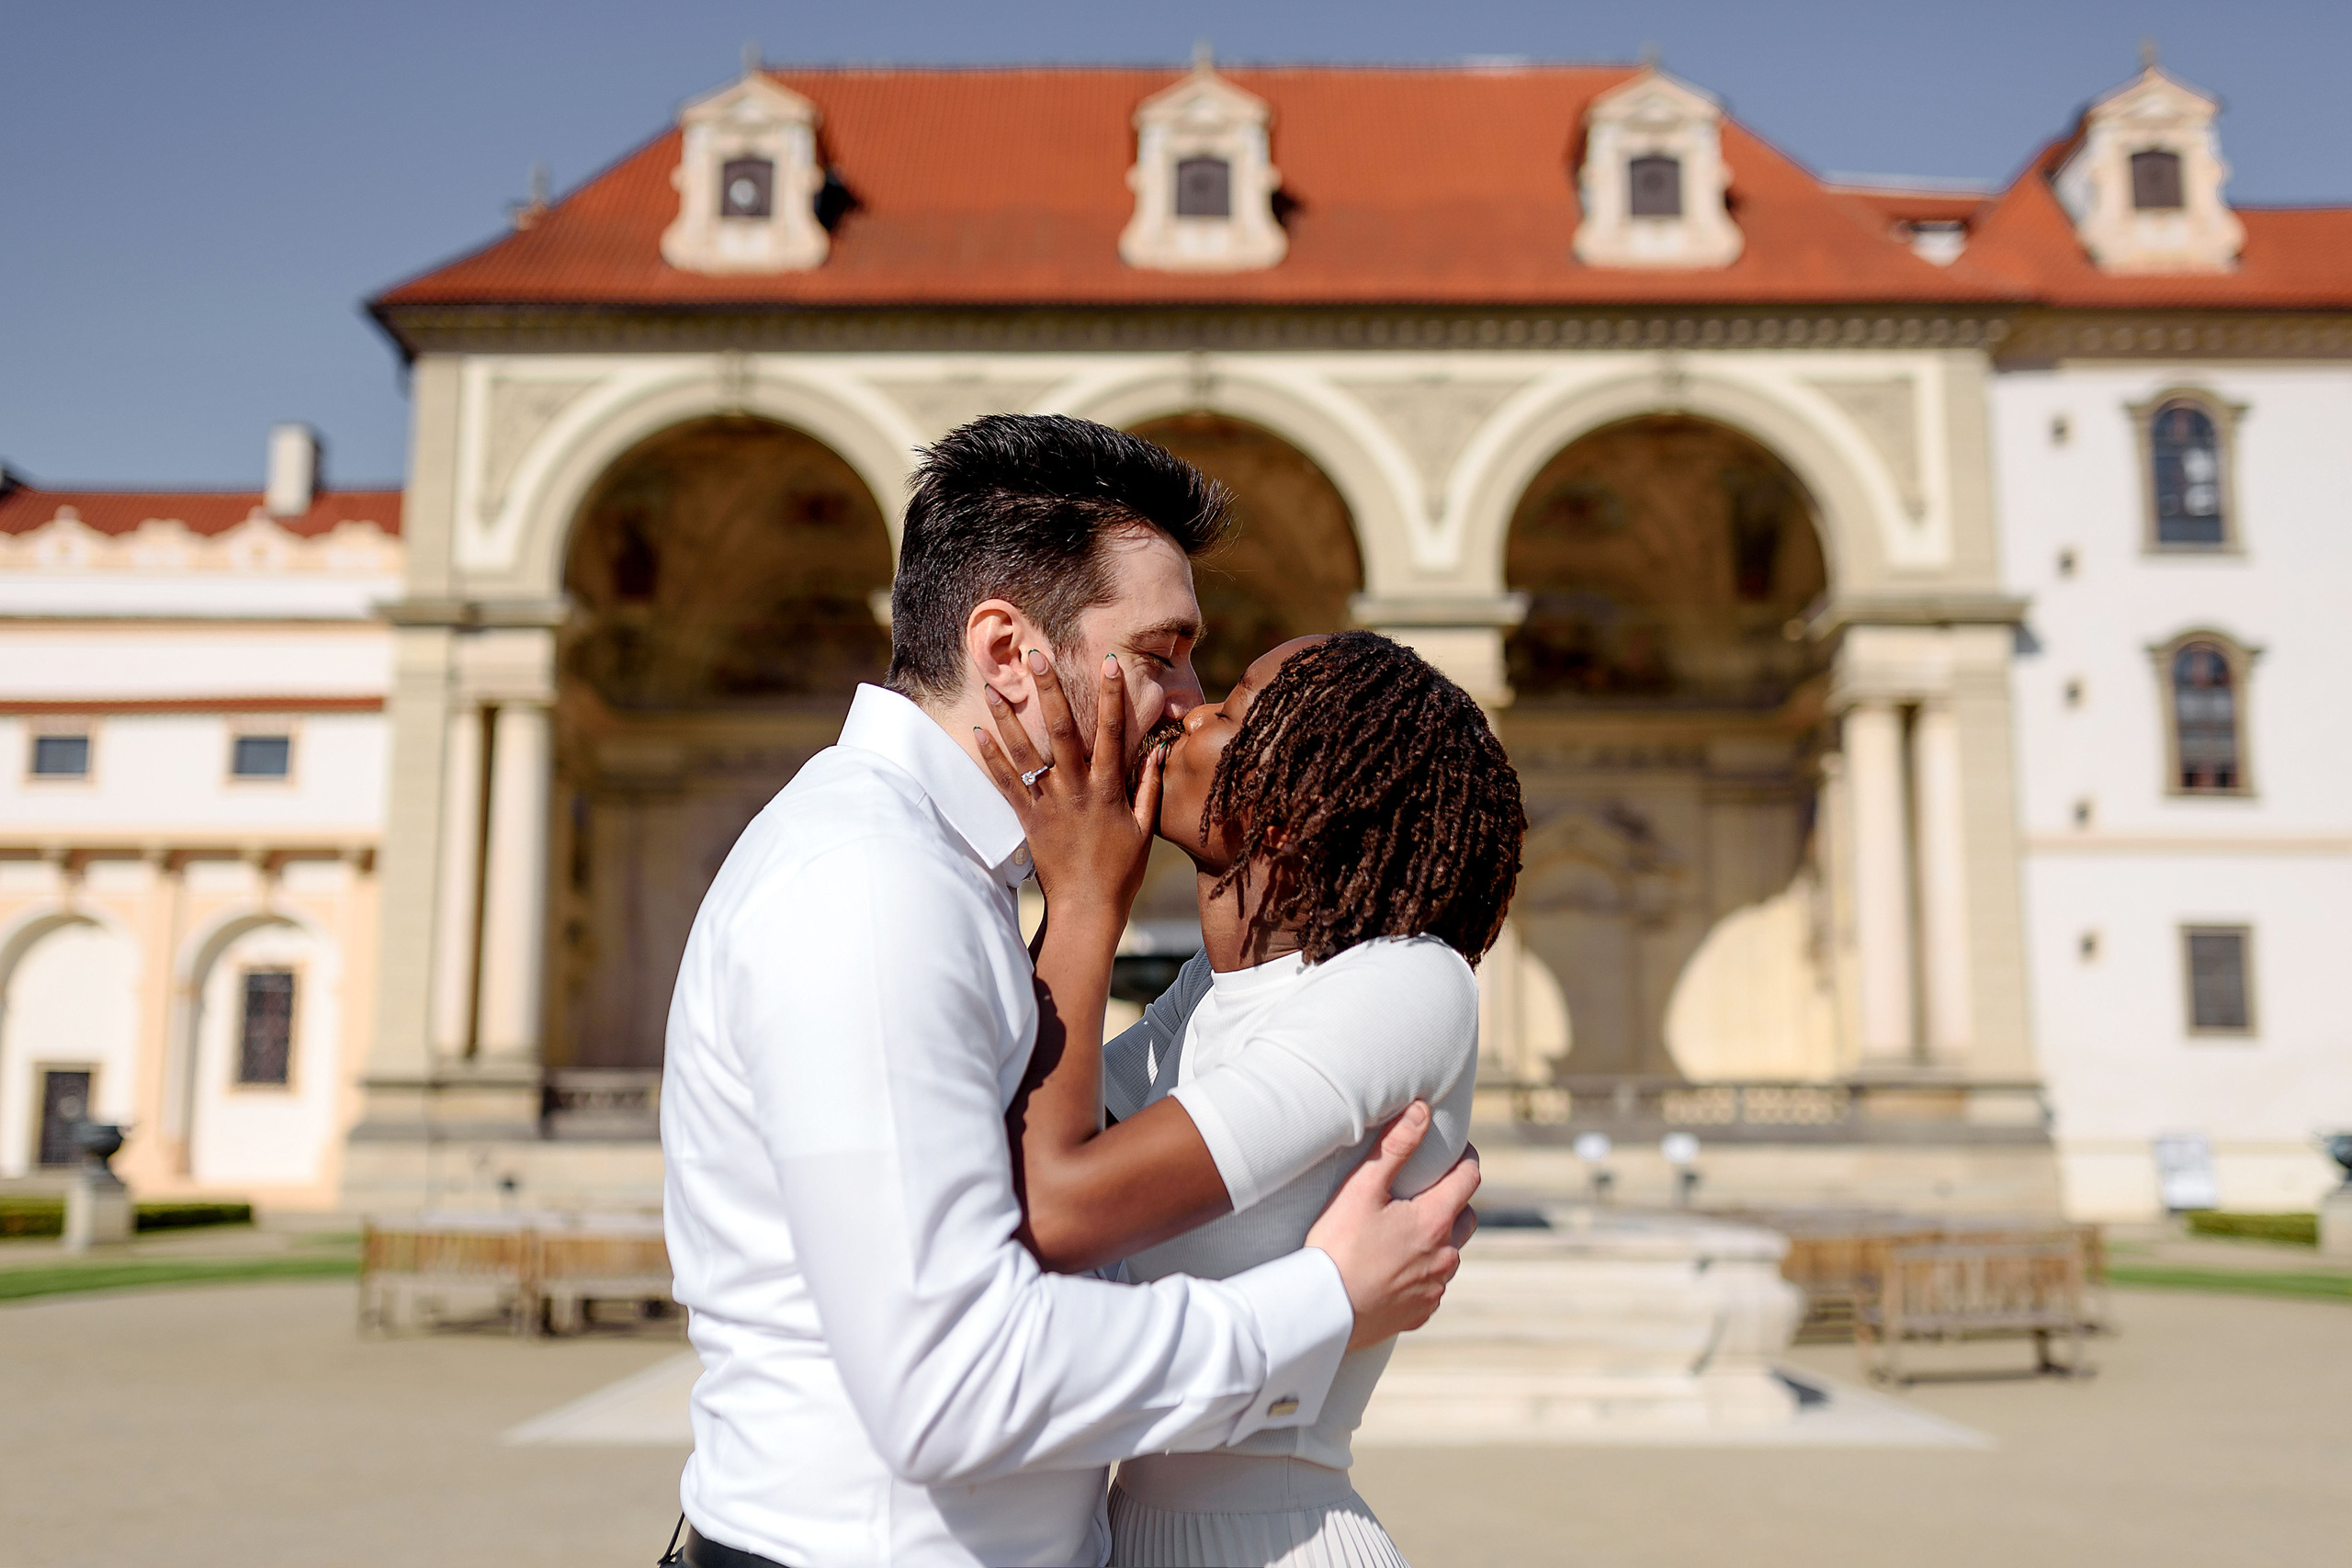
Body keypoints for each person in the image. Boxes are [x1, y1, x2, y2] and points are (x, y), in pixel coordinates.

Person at [660, 415, 1482, 1568]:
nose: (1186, 702)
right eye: (1161, 652)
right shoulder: (874, 885)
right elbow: (952, 1384)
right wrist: (1325, 1301)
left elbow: (1041, 1184)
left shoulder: (952, 878)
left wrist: (1081, 905)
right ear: (1009, 654)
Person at [975, 629, 1526, 1567]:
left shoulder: (1406, 982)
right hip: (1135, 1530)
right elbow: (1015, 1126)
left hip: (1278, 1538)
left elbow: (1057, 1206)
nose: (1188, 715)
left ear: (1294, 808)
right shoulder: (1215, 987)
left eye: (1228, 711)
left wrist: (1084, 899)